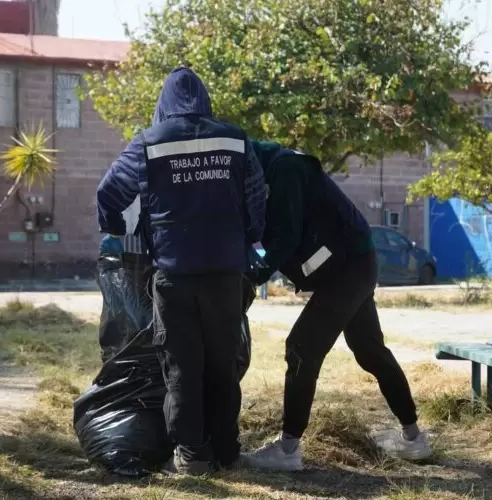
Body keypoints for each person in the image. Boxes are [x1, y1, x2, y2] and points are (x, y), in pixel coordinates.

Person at [95, 67, 267, 476]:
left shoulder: (149, 142)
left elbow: (109, 191)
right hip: (225, 273)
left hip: (175, 274)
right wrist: (249, 235)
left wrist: (117, 228)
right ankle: (227, 452)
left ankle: (192, 456)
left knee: (182, 367)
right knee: (222, 364)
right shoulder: (234, 139)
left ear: (164, 102)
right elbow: (257, 195)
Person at [241, 141, 431, 472]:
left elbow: (286, 236)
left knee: (301, 347)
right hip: (354, 261)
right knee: (370, 350)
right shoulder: (277, 166)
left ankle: (288, 449)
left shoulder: (286, 170)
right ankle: (414, 438)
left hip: (347, 268)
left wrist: (254, 275)